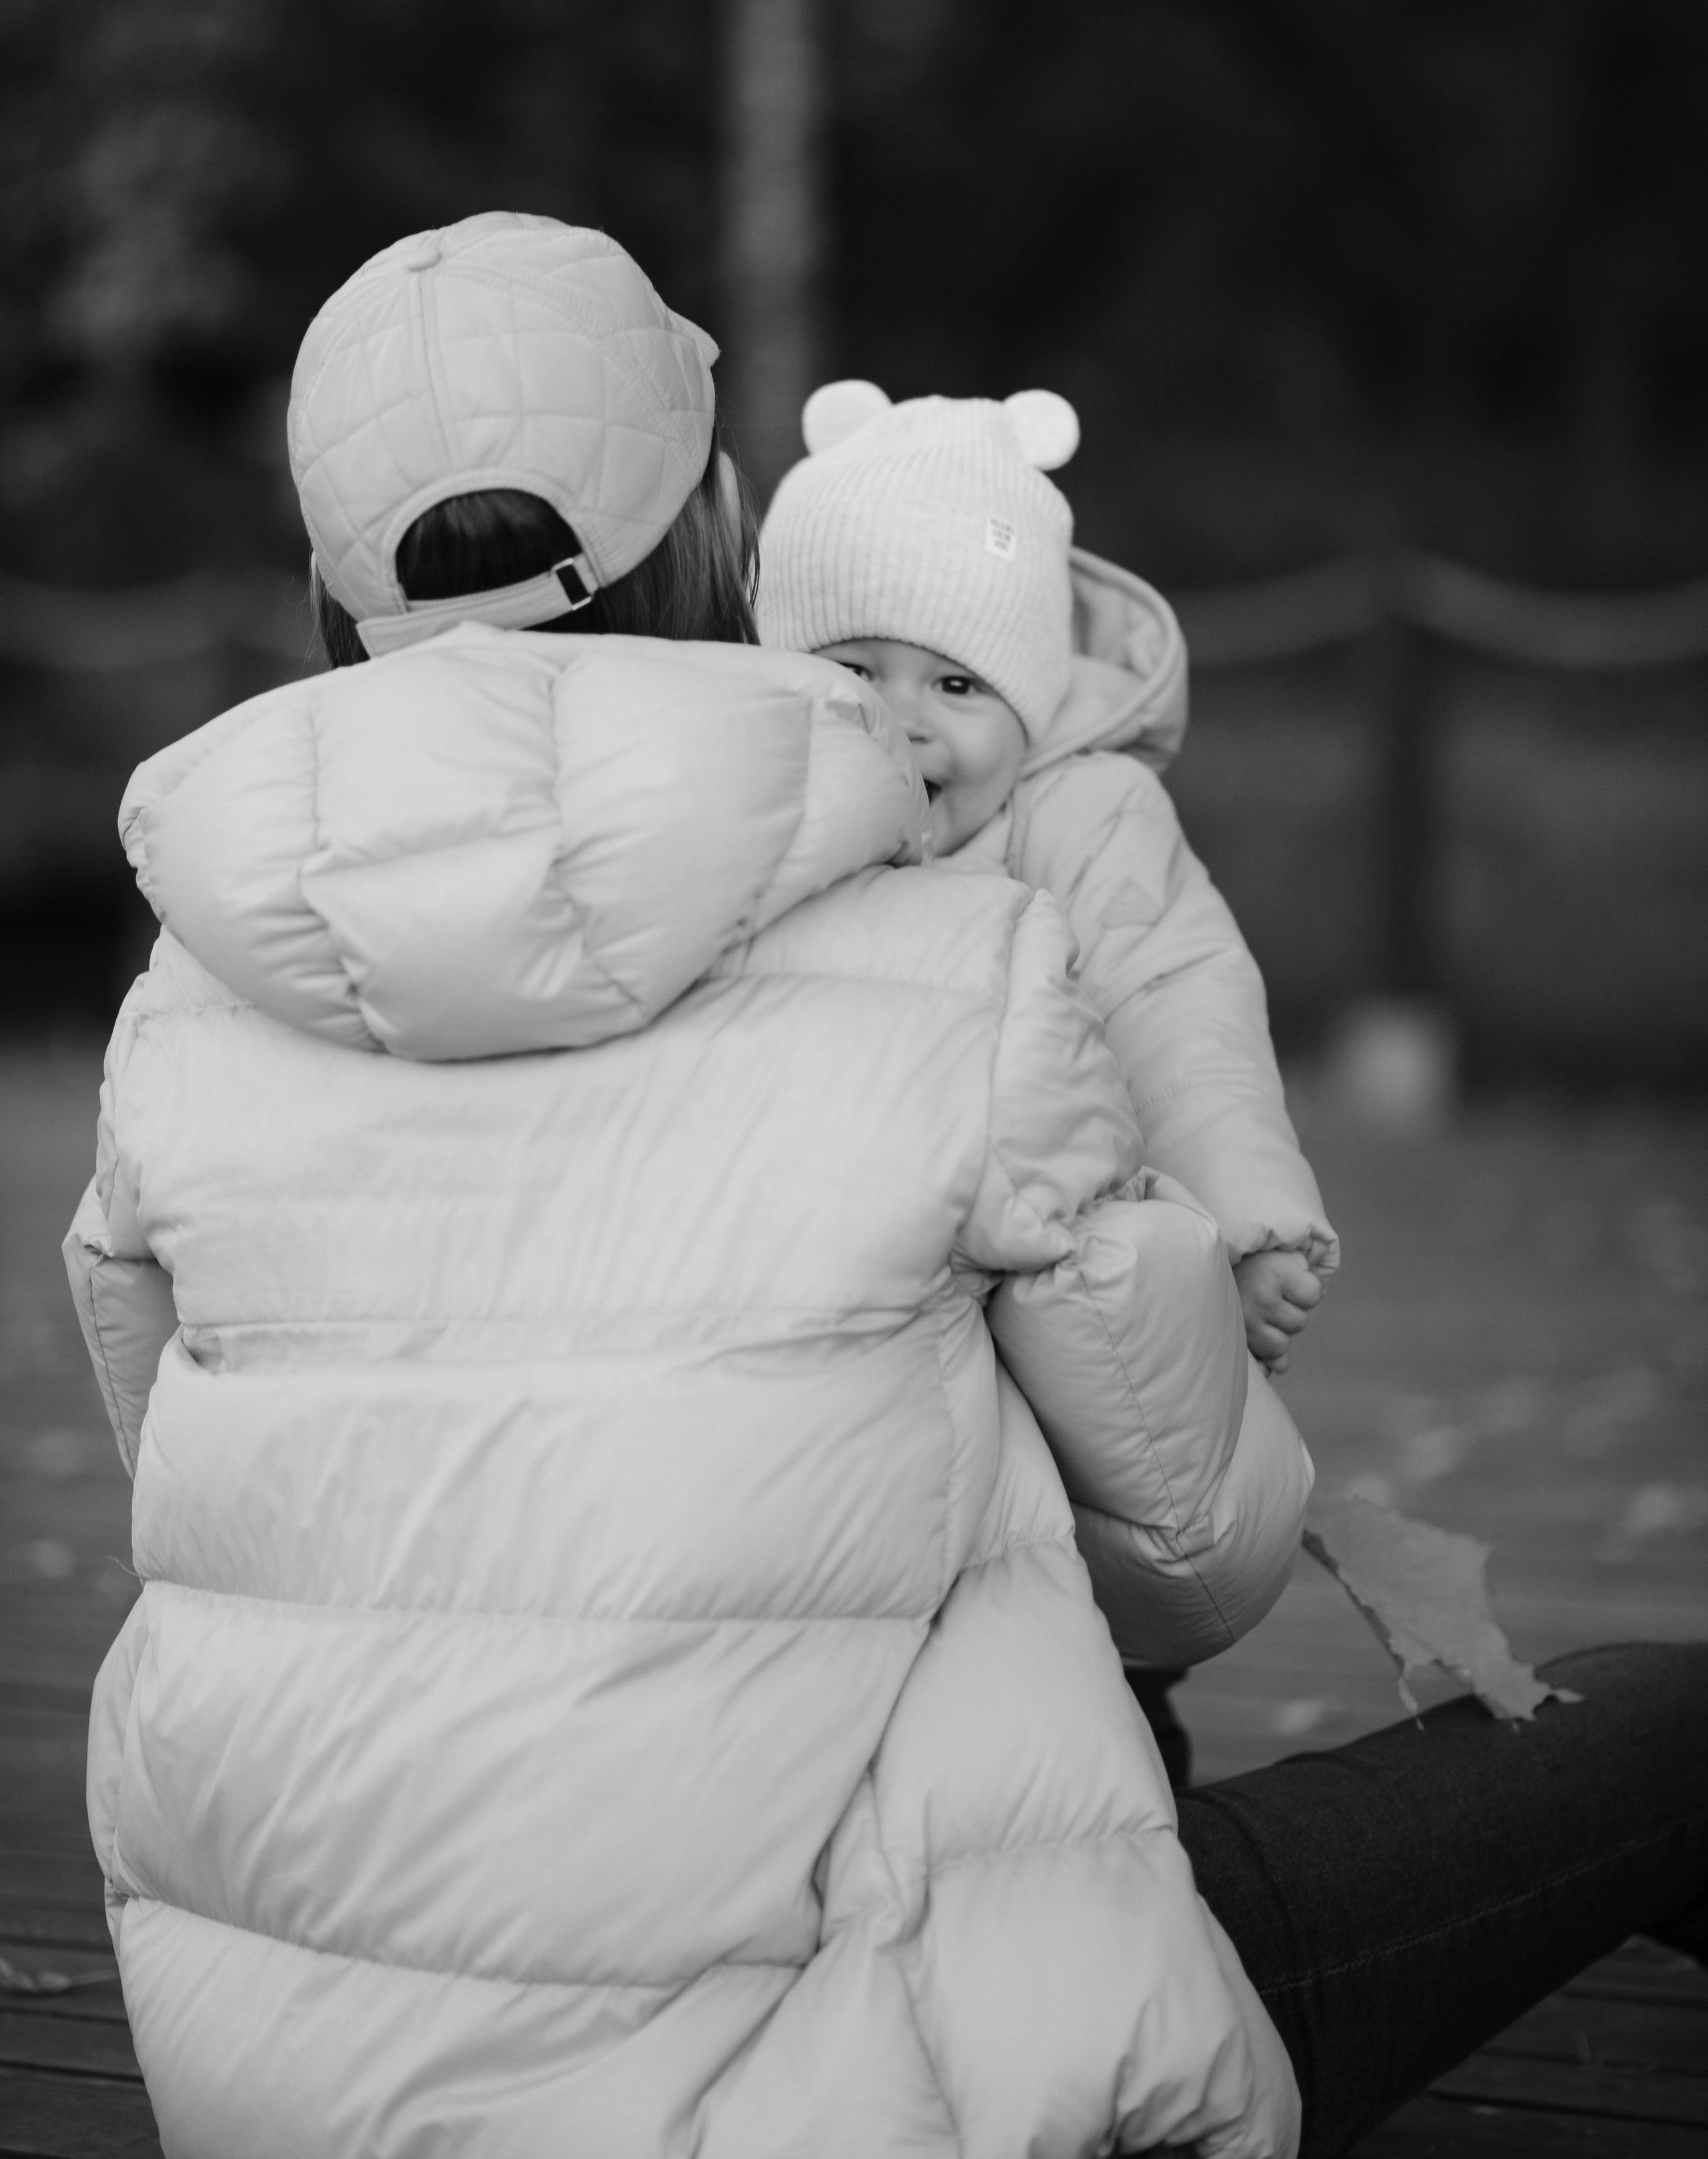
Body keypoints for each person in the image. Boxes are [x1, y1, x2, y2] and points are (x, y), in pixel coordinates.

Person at [63, 215, 1707, 2159]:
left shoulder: (186, 1002)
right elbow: (1199, 1554)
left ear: (333, 594)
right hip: (875, 2074)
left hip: (289, 2087)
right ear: (721, 533)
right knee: (1661, 1734)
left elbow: (203, 1479)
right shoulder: (938, 944)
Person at [757, 379, 1338, 1781]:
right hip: (852, 1321)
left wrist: (1247, 1218)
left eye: (956, 684)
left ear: (1030, 700)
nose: (903, 721)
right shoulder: (762, 820)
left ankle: (1137, 1778)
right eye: (853, 671)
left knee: (1076, 1592)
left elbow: (1179, 1009)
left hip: (1059, 1303)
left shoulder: (1081, 817)